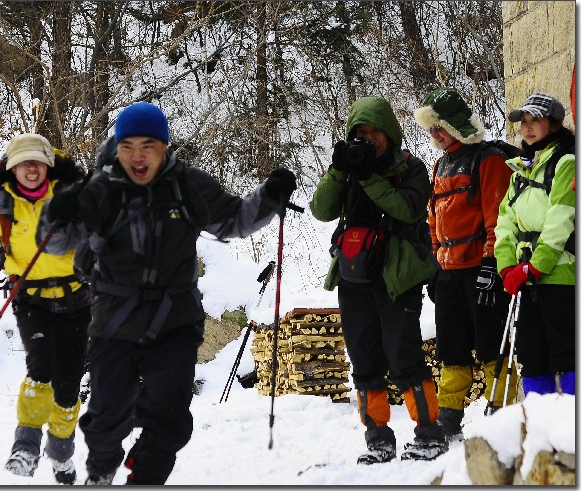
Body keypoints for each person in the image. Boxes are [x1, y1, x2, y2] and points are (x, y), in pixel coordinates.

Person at [39, 101, 296, 485]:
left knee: (172, 422)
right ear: (117, 147)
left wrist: (270, 196)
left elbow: (235, 220)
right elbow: (55, 244)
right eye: (128, 146)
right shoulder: (100, 191)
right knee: (104, 423)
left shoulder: (186, 185)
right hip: (114, 323)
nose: (137, 156)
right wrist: (55, 213)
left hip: (173, 323)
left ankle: (144, 479)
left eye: (148, 145)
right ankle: (102, 472)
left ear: (164, 147)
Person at [310, 96, 447, 464]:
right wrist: (339, 171)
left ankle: (430, 432)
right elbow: (321, 210)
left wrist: (369, 177)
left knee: (404, 356)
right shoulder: (350, 168)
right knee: (364, 359)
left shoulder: (411, 168)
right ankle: (378, 437)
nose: (369, 139)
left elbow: (407, 209)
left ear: (390, 132)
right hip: (354, 276)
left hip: (398, 277)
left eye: (375, 132)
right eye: (361, 133)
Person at [0, 134, 91, 485]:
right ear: (12, 168)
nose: (31, 168)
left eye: (37, 161)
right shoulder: (1, 206)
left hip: (76, 299)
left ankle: (60, 452)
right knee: (40, 364)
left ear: (47, 165)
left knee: (69, 382)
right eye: (23, 162)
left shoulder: (71, 198)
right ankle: (25, 447)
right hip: (30, 300)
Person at [413, 87, 516, 441]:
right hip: (450, 273)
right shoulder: (440, 165)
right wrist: (435, 267)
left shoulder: (486, 159)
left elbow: (498, 217)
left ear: (456, 125)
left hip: (481, 270)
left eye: (439, 128)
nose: (435, 136)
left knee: (492, 345)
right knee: (451, 348)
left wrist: (491, 264)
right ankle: (449, 416)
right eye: (430, 131)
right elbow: (432, 223)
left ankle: (502, 412)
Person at [494, 92, 576, 396]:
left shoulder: (566, 162)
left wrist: (533, 268)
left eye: (535, 121)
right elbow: (505, 223)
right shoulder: (519, 171)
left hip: (560, 276)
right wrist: (506, 269)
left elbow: (559, 222)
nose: (527, 128)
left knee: (566, 353)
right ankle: (537, 425)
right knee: (532, 355)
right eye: (523, 122)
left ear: (553, 124)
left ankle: (571, 424)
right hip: (525, 282)